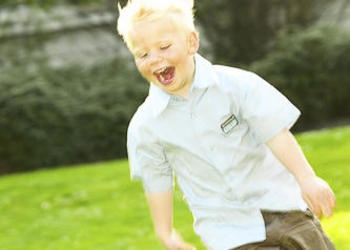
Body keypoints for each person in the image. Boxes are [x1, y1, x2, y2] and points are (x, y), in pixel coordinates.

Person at [117, 0, 336, 249]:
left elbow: (275, 131)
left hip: (285, 209)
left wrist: (307, 179)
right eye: (142, 54)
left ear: (192, 42)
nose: (155, 59)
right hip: (229, 232)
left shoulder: (237, 86)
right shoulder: (145, 125)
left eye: (164, 47)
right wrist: (165, 233)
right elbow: (157, 180)